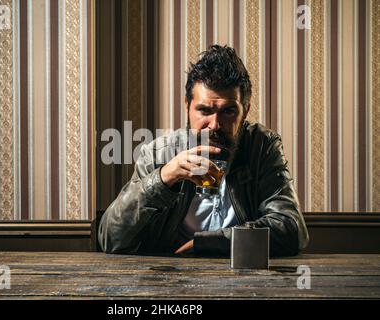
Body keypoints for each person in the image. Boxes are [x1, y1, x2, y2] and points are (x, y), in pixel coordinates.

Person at [98, 45, 309, 256]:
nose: (215, 124)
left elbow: (291, 230)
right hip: (170, 280)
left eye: (228, 111)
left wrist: (208, 243)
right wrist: (163, 178)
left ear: (245, 112)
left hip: (244, 278)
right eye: (204, 110)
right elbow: (111, 239)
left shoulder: (262, 146)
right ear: (187, 106)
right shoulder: (158, 154)